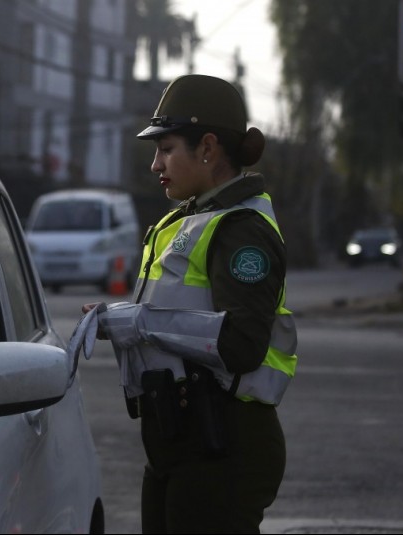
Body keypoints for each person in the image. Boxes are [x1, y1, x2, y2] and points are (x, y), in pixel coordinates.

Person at [84, 74, 298, 533]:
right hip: (180, 439)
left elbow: (242, 344)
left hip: (223, 444)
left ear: (207, 147)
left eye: (166, 149)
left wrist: (139, 323)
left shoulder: (242, 230)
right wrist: (117, 321)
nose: (155, 164)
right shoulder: (188, 220)